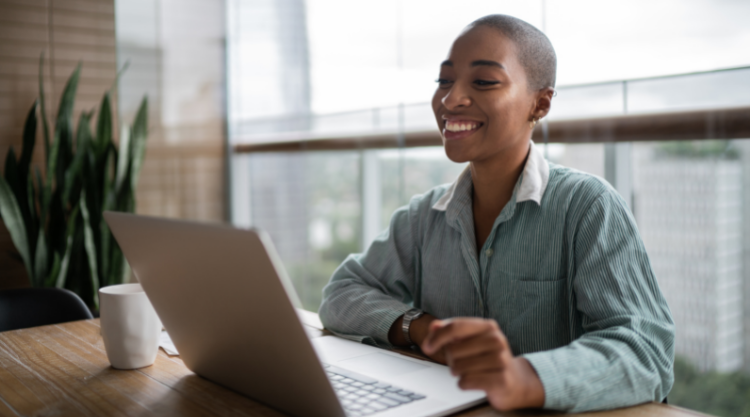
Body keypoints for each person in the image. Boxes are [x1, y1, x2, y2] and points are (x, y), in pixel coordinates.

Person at [318, 14, 675, 413]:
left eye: (484, 82)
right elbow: (341, 294)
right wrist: (423, 329)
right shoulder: (424, 215)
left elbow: (647, 350)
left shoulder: (588, 206)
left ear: (539, 103)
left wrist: (524, 377)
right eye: (444, 81)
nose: (451, 100)